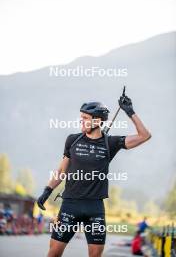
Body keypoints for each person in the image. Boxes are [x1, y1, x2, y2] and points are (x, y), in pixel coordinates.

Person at [37, 94, 151, 257]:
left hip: (95, 208)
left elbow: (144, 136)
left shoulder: (110, 143)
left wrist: (130, 112)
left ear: (97, 121)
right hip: (70, 205)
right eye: (80, 117)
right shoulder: (73, 140)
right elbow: (61, 171)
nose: (80, 121)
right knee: (53, 252)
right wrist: (47, 191)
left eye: (85, 118)